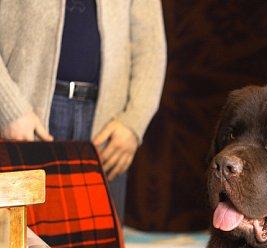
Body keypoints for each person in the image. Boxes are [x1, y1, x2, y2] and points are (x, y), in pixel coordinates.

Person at [0, 0, 167, 221]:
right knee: (16, 246)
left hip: (106, 126)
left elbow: (150, 46)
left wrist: (133, 122)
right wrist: (9, 109)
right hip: (25, 117)